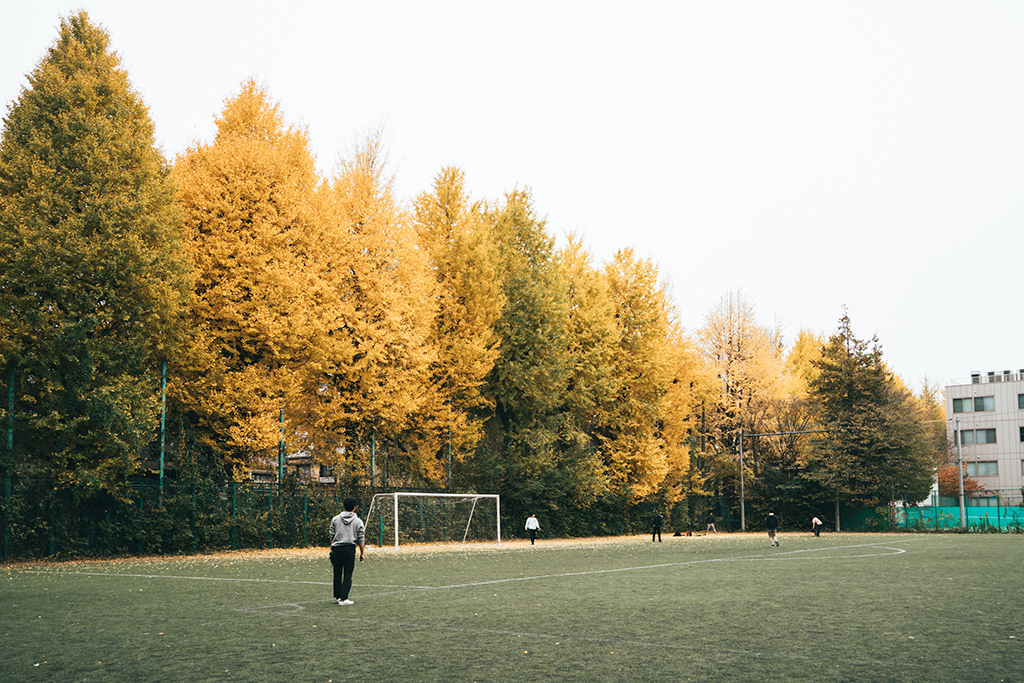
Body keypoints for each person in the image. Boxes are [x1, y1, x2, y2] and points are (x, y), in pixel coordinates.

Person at [329, 497, 365, 605]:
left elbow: (331, 534)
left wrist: (332, 548)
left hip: (337, 548)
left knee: (337, 573)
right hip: (349, 548)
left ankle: (338, 596)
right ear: (354, 508)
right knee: (348, 573)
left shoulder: (335, 519)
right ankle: (344, 598)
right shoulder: (358, 521)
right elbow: (361, 539)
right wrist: (362, 553)